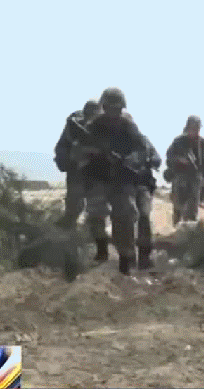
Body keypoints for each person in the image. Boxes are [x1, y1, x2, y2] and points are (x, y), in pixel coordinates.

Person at [76, 87, 148, 275]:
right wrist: (94, 153)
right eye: (110, 108)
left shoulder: (128, 126)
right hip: (98, 176)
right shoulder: (93, 126)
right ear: (104, 107)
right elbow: (78, 151)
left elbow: (142, 148)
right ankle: (101, 251)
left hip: (121, 176)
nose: (113, 113)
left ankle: (126, 258)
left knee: (125, 214)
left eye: (117, 109)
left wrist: (130, 160)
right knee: (96, 214)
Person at [53, 99, 100, 230]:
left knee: (96, 209)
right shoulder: (74, 127)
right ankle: (66, 232)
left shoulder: (103, 127)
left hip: (94, 172)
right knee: (74, 208)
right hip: (76, 169)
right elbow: (62, 150)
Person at [165, 115, 204, 225]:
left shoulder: (202, 143)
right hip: (180, 177)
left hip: (195, 178)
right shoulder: (178, 142)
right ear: (188, 127)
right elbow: (169, 157)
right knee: (178, 207)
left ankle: (190, 229)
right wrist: (179, 160)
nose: (195, 131)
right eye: (193, 128)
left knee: (193, 208)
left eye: (197, 128)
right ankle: (177, 227)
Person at [135, 133, 161, 270]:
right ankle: (126, 256)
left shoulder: (142, 141)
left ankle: (145, 256)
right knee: (124, 218)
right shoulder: (115, 140)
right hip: (122, 186)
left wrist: (151, 160)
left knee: (144, 216)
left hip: (143, 185)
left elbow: (156, 158)